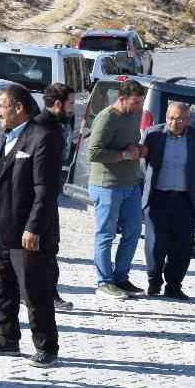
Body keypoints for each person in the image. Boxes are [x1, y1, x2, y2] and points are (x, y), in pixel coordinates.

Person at [0, 84, 64, 367]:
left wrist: (34, 227)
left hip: (28, 233)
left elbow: (46, 189)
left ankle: (46, 346)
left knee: (34, 292)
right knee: (0, 288)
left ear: (19, 108)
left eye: (2, 106)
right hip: (2, 229)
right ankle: (7, 338)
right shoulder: (6, 137)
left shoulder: (42, 137)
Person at [140, 102, 195, 300]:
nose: (174, 122)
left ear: (187, 120)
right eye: (171, 117)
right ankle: (154, 281)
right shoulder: (153, 134)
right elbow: (144, 165)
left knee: (182, 246)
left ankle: (174, 285)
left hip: (184, 199)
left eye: (179, 119)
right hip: (158, 198)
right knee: (155, 244)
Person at [87, 81, 147, 299]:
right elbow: (92, 153)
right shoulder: (106, 118)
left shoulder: (132, 116)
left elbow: (131, 144)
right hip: (107, 186)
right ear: (122, 98)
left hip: (130, 185)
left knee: (132, 232)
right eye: (136, 102)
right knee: (105, 234)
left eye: (140, 102)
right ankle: (104, 282)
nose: (139, 106)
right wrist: (123, 155)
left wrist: (140, 150)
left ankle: (121, 278)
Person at [39, 84, 77, 314]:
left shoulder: (61, 124)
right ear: (57, 104)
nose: (74, 107)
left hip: (50, 197)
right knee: (42, 250)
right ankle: (45, 296)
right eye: (71, 103)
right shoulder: (42, 129)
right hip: (39, 200)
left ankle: (45, 293)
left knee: (50, 249)